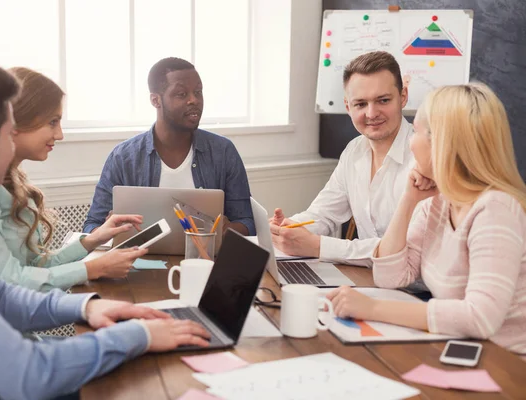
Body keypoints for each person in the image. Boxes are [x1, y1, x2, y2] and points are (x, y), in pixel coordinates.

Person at [0, 55, 210, 400]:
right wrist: (140, 335)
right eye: (8, 130)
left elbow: (0, 296)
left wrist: (87, 307)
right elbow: (28, 375)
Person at [326, 83, 526, 359]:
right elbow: (391, 277)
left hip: (504, 364)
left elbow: (480, 317)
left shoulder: (495, 209)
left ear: (442, 143)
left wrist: (371, 308)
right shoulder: (436, 201)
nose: (410, 140)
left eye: (417, 131)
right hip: (458, 346)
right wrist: (408, 201)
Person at [0, 67, 147, 292]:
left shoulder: (13, 181)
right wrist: (93, 269)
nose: (60, 135)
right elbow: (7, 280)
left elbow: (36, 265)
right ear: (15, 122)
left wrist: (93, 239)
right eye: (53, 122)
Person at [270, 51, 414, 267]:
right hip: (371, 278)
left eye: (383, 100)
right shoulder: (354, 151)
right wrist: (289, 228)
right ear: (348, 106)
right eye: (361, 104)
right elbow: (324, 214)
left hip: (417, 289)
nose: (372, 113)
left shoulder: (426, 158)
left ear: (403, 96)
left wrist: (318, 246)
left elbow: (406, 249)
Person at [83, 57, 255, 236]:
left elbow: (247, 221)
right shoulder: (123, 157)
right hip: (140, 261)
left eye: (198, 92)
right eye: (182, 94)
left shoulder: (223, 152)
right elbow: (92, 225)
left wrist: (227, 231)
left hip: (207, 260)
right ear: (156, 100)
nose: (194, 100)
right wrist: (109, 229)